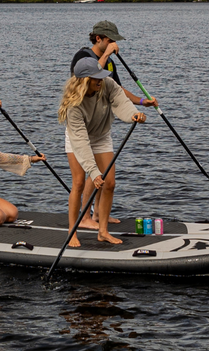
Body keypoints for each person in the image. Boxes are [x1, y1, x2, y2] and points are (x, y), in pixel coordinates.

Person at [69, 20, 157, 228]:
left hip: (101, 126)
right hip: (82, 127)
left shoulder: (109, 64)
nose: (114, 44)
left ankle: (99, 214)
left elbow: (116, 89)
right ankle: (85, 217)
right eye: (110, 40)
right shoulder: (82, 57)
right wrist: (107, 54)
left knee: (105, 175)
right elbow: (85, 79)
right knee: (87, 177)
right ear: (98, 38)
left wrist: (142, 102)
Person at [58, 58, 146, 246]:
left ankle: (103, 231)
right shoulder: (74, 106)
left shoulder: (107, 84)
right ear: (83, 80)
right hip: (77, 138)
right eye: (96, 78)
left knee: (110, 183)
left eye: (101, 77)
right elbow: (80, 142)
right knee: (79, 183)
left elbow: (121, 102)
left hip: (101, 135)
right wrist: (93, 170)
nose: (101, 81)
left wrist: (133, 114)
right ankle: (72, 232)